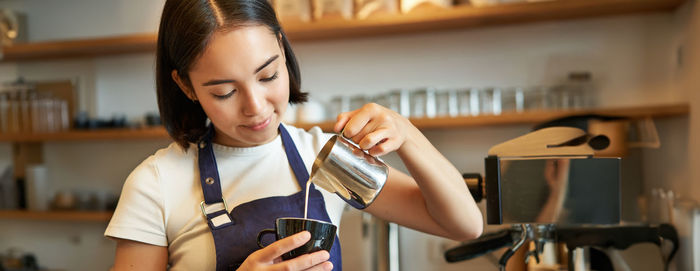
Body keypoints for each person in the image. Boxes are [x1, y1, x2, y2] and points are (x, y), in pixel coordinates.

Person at [104, 0, 483, 270]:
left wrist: (408, 135)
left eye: (268, 75)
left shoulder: (326, 156)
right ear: (186, 86)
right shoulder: (155, 182)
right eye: (224, 92)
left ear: (283, 51)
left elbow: (463, 225)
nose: (255, 106)